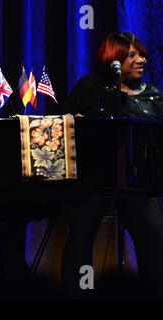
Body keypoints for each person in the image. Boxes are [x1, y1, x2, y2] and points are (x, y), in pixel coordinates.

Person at [60, 32, 163, 298]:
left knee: (153, 235)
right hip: (94, 177)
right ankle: (75, 294)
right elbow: (64, 121)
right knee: (81, 237)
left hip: (138, 180)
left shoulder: (154, 96)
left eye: (141, 54)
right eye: (132, 55)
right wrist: (76, 119)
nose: (141, 60)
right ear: (113, 59)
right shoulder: (90, 87)